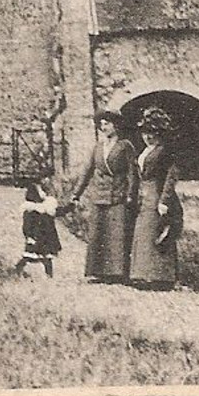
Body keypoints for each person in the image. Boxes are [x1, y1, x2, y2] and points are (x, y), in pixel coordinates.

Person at [68, 110, 139, 284]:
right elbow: (87, 172)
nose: (103, 127)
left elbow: (132, 173)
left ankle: (117, 273)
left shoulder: (125, 146)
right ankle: (99, 272)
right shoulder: (98, 147)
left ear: (116, 125)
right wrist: (76, 194)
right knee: (99, 234)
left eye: (106, 123)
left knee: (117, 235)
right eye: (101, 124)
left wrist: (131, 195)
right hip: (99, 195)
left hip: (118, 196)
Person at [128, 107, 183, 291]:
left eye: (152, 132)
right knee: (143, 230)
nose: (147, 136)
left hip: (157, 193)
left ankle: (161, 276)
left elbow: (171, 176)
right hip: (144, 194)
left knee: (156, 229)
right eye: (145, 132)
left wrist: (164, 200)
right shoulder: (145, 151)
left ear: (159, 133)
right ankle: (142, 274)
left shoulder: (165, 151)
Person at [15, 181, 63, 278]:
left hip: (44, 239)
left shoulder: (45, 208)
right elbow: (27, 225)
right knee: (29, 256)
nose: (43, 194)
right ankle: (18, 270)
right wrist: (29, 236)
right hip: (35, 237)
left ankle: (49, 275)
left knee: (46, 258)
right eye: (41, 192)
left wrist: (70, 206)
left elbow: (58, 212)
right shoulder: (30, 210)